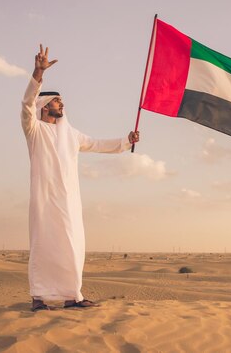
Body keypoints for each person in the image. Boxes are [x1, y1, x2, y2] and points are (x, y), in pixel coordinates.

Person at [21, 44, 139, 312]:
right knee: (43, 245)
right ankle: (38, 298)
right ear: (44, 105)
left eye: (61, 101)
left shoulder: (70, 135)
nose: (62, 104)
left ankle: (72, 296)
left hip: (69, 201)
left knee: (72, 246)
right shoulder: (34, 129)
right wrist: (38, 74)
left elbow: (98, 144)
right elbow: (26, 104)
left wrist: (125, 141)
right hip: (44, 200)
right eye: (56, 101)